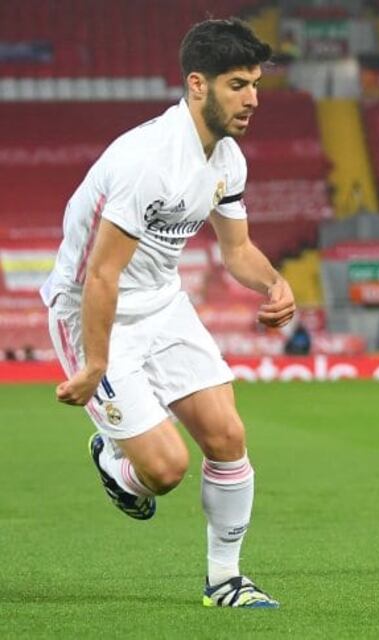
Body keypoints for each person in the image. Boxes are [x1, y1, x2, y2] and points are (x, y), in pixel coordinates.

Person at [40, 18, 293, 608]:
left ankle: (226, 580)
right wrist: (94, 363)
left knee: (228, 436)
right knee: (165, 470)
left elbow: (236, 250)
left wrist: (273, 283)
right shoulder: (148, 160)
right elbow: (101, 274)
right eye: (238, 85)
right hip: (91, 311)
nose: (253, 98)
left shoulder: (227, 157)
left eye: (255, 84)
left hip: (162, 304)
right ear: (197, 85)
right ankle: (115, 461)